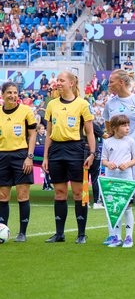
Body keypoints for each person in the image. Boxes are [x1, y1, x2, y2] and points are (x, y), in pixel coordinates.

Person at [102, 69, 135, 245]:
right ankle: (113, 234)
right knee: (115, 197)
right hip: (115, 162)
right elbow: (109, 129)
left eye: (111, 82)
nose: (108, 85)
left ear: (122, 83)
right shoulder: (110, 104)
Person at [42, 71, 96, 244]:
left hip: (75, 149)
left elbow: (90, 132)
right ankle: (59, 234)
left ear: (71, 83)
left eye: (62, 80)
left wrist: (92, 153)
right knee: (59, 193)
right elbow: (49, 132)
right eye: (57, 80)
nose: (58, 83)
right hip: (56, 150)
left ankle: (81, 234)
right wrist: (45, 157)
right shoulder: (52, 105)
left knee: (79, 193)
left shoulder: (82, 104)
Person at [0, 82, 37, 242]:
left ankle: (22, 233)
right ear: (2, 95)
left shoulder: (26, 111)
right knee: (2, 196)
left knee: (22, 195)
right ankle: (3, 229)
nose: (13, 96)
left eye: (15, 92)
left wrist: (29, 156)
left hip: (21, 155)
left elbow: (33, 134)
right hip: (2, 156)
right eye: (9, 92)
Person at [101, 115, 135, 247]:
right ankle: (116, 237)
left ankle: (129, 237)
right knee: (114, 209)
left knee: (127, 208)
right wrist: (108, 164)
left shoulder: (130, 141)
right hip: (111, 180)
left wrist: (128, 164)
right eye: (124, 125)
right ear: (114, 128)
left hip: (126, 179)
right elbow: (104, 159)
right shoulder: (108, 142)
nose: (127, 128)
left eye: (128, 125)